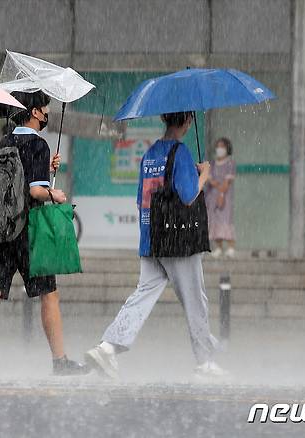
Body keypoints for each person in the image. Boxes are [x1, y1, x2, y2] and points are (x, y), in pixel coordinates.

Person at [85, 111, 224, 379]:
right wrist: (204, 173)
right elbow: (188, 196)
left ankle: (108, 347)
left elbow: (141, 201)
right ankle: (205, 362)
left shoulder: (150, 154)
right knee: (195, 300)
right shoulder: (180, 152)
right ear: (186, 122)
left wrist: (148, 237)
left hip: (151, 238)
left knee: (142, 295)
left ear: (164, 119)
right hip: (178, 240)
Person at [0, 90, 89, 376]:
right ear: (35, 112)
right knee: (49, 294)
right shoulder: (39, 144)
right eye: (45, 107)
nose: (47, 113)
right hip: (29, 232)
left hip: (2, 228)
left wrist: (45, 170)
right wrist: (54, 194)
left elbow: (15, 182)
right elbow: (34, 191)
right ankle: (60, 362)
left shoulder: (6, 140)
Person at [205, 137, 237, 258]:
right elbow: (210, 179)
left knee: (226, 220)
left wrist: (222, 194)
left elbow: (227, 182)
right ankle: (218, 247)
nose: (219, 149)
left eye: (222, 146)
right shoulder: (212, 163)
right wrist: (216, 186)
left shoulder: (230, 163)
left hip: (225, 197)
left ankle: (230, 247)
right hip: (212, 197)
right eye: (218, 146)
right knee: (214, 221)